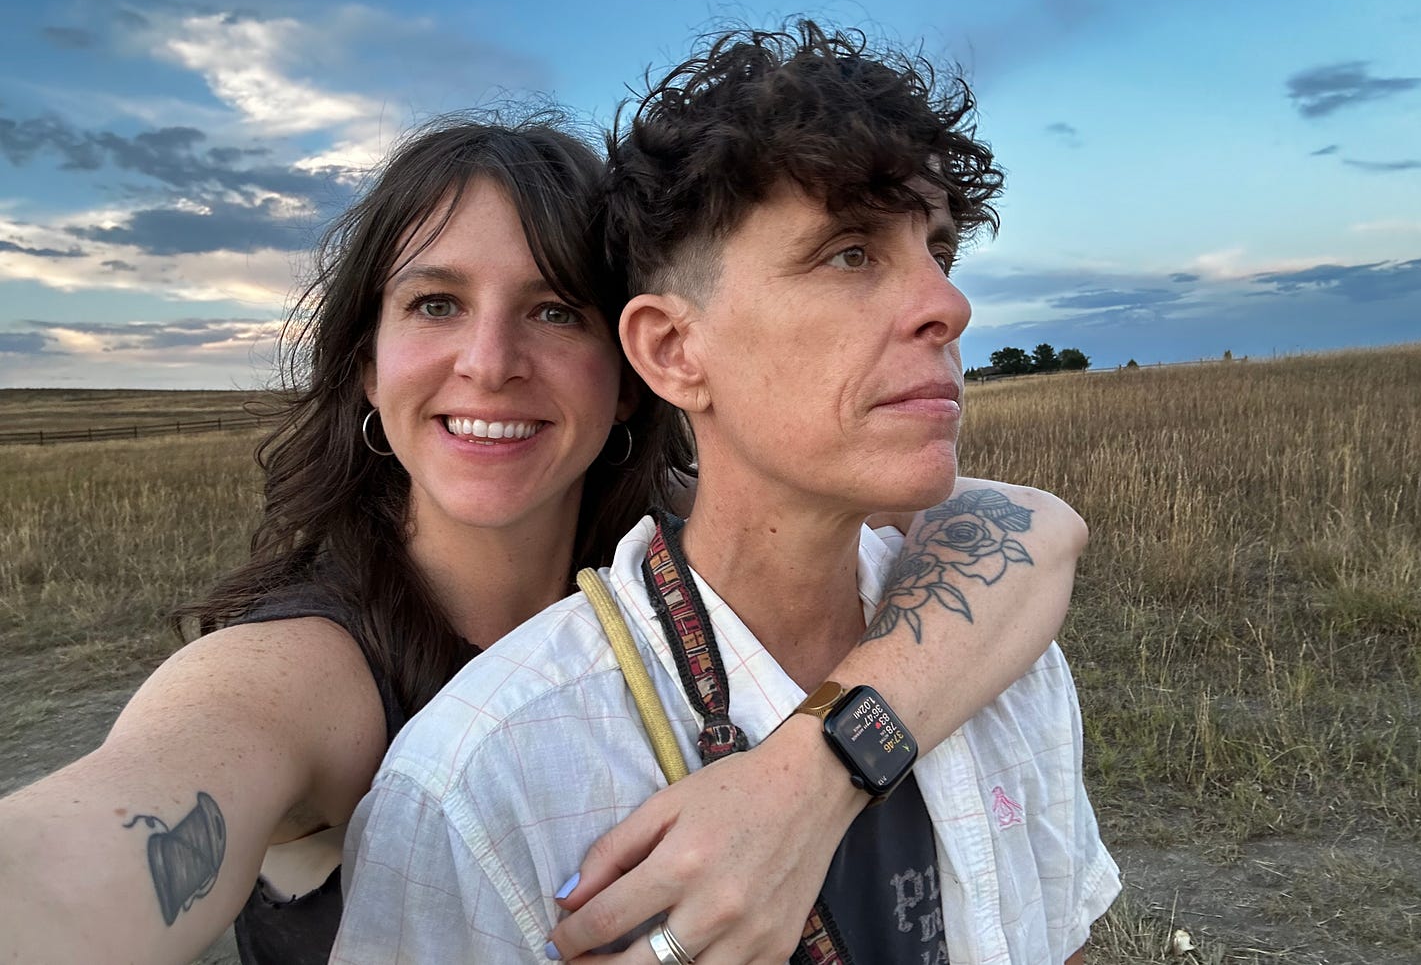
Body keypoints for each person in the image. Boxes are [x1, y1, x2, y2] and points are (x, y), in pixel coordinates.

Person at [0, 113, 1085, 965]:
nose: (488, 362)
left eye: (556, 310)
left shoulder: (679, 549)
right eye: (434, 304)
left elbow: (1033, 530)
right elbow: (86, 850)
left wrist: (812, 774)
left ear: (636, 370)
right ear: (367, 366)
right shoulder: (304, 669)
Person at [335, 24, 1119, 965]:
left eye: (939, 253)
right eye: (850, 253)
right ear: (673, 351)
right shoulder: (482, 782)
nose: (948, 306)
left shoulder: (1000, 655)